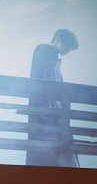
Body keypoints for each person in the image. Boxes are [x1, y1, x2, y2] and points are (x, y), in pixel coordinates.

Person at [26, 28, 79, 167]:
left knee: (53, 154)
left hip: (51, 114)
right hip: (47, 115)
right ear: (58, 39)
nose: (68, 51)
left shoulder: (53, 57)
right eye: (68, 46)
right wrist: (44, 109)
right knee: (53, 153)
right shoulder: (45, 50)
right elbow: (41, 82)